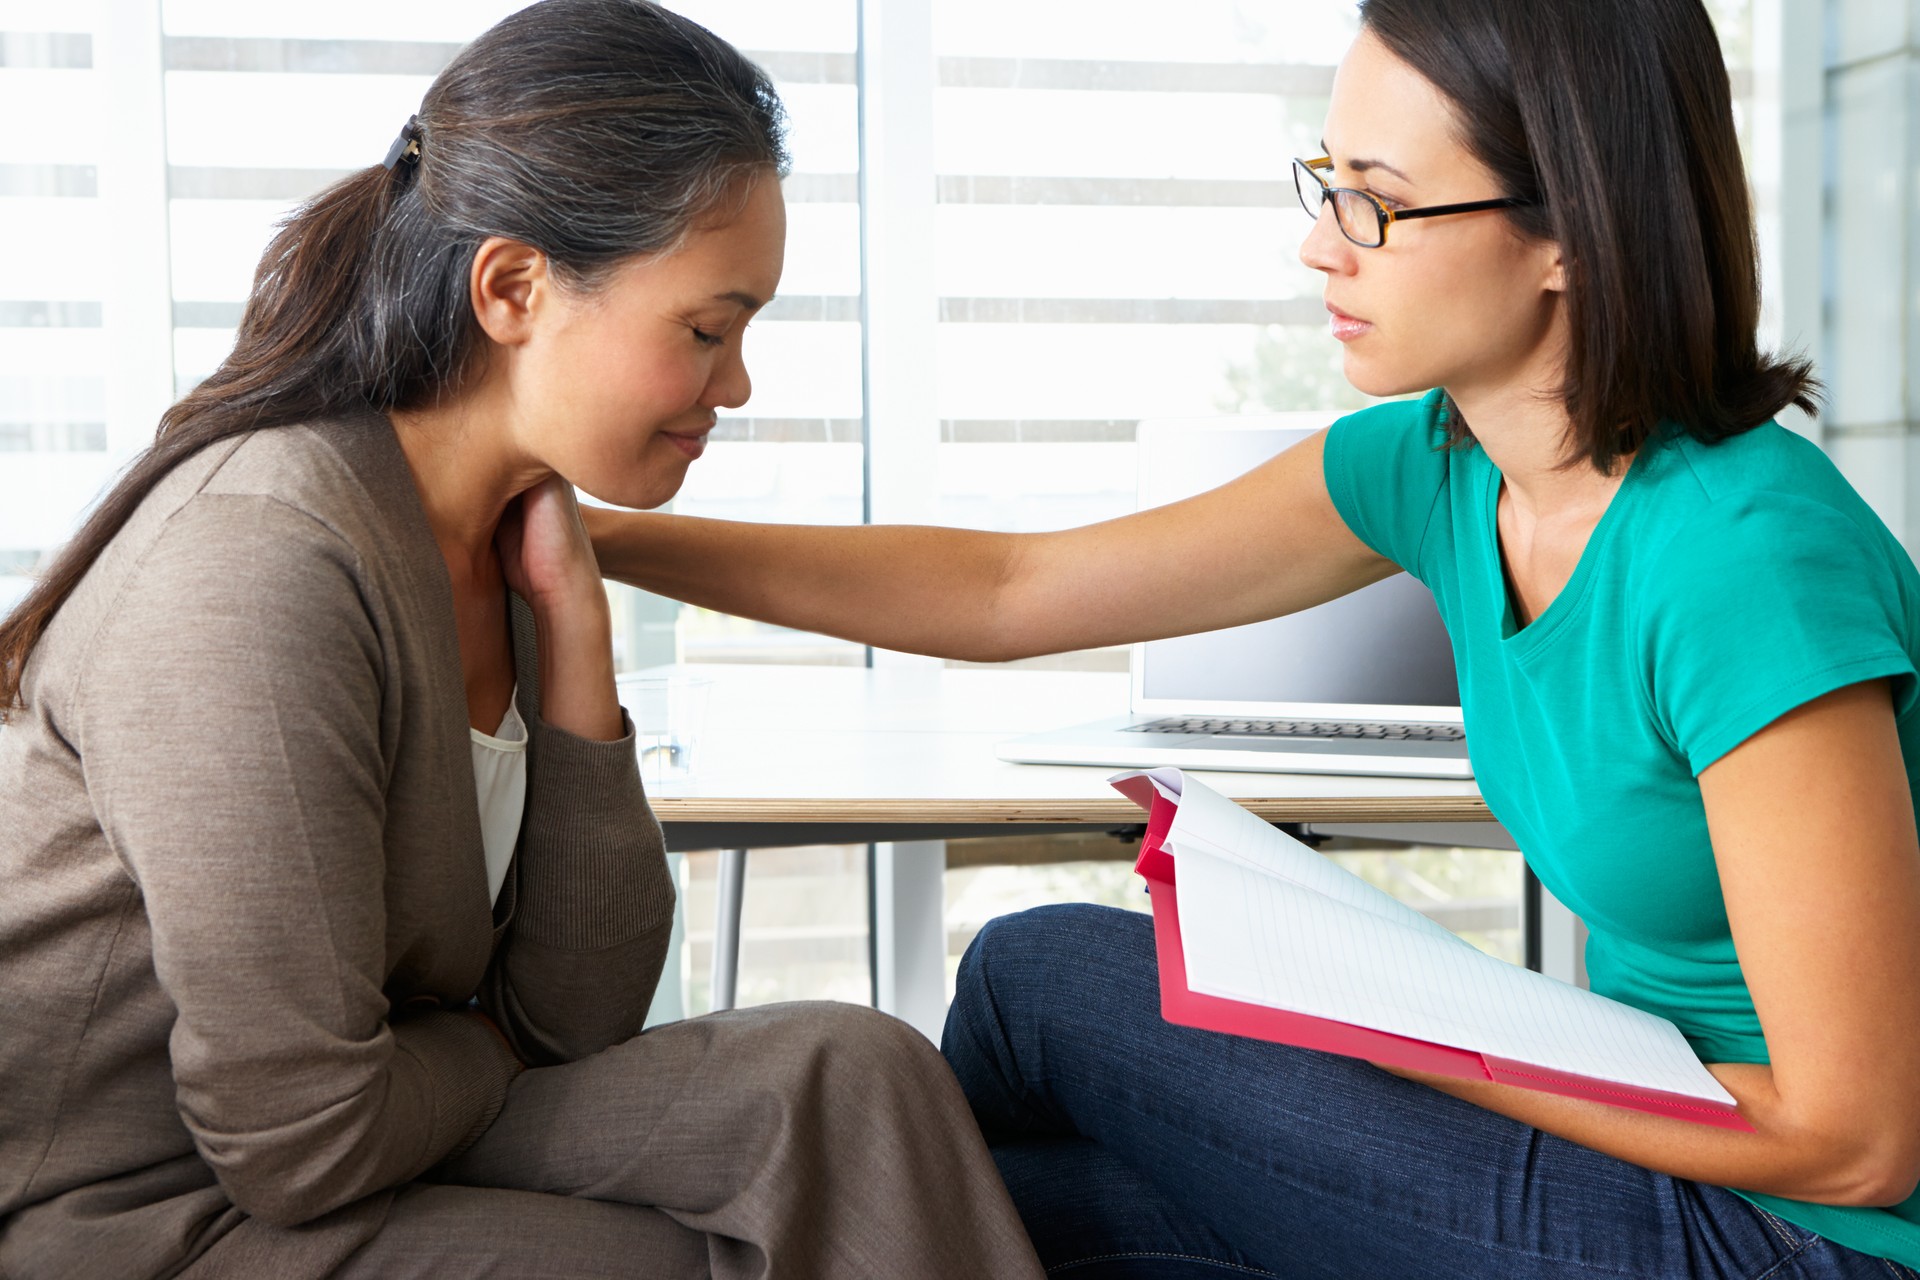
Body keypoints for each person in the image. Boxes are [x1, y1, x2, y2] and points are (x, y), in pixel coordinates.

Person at [579, 0, 1920, 1275]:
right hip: (1656, 1171)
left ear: (1571, 228)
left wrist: (1394, 1028)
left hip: (1802, 1242)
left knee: (1038, 973)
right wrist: (606, 542)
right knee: (1005, 1220)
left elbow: (1856, 1139)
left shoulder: (1740, 562)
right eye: (1326, 182)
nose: (1321, 245)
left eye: (1378, 203)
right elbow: (1008, 592)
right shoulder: (1443, 468)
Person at [0, 3, 1048, 1277]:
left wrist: (576, 640)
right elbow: (299, 1139)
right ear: (512, 287)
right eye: (706, 330)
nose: (738, 386)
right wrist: (484, 1038)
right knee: (681, 1256)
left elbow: (577, 1011)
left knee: (849, 1071)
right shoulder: (257, 567)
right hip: (147, 1210)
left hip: (373, 1128)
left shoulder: (507, 544)